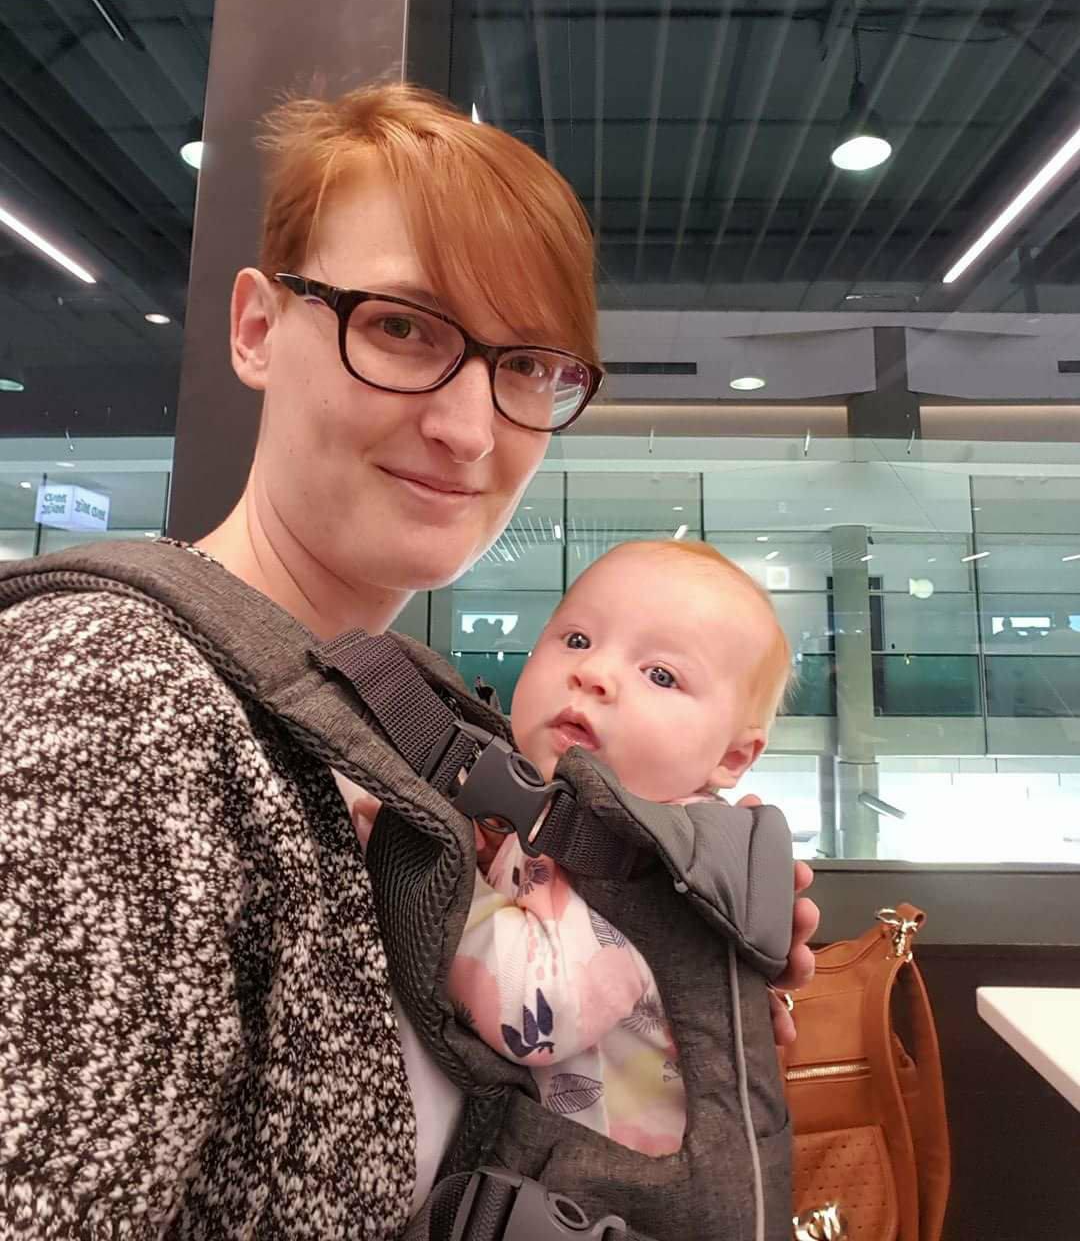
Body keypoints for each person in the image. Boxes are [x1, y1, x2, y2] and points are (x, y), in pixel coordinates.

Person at [0, 83, 817, 1237]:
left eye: (527, 363)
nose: (471, 428)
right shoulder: (115, 701)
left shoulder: (408, 727)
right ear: (255, 327)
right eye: (400, 326)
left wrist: (679, 1008)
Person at [449, 539, 791, 1157]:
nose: (594, 673)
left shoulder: (663, 858)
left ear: (733, 756)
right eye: (576, 640)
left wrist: (437, 867)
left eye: (660, 674)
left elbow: (534, 1011)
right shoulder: (563, 813)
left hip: (620, 1207)